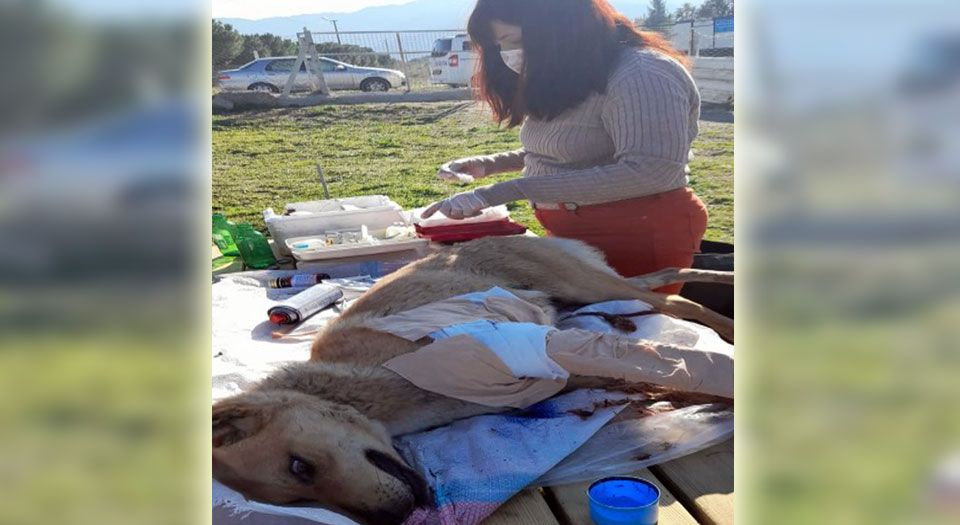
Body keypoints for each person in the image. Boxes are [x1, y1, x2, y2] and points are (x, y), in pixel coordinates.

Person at [422, 0, 709, 294]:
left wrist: (506, 191)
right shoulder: (576, 70)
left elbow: (650, 171)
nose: (509, 55)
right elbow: (571, 148)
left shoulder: (644, 73)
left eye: (516, 41)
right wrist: (490, 164)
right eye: (500, 46)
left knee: (631, 324)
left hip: (638, 232)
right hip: (574, 229)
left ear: (559, 28)